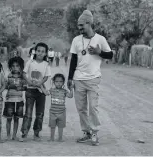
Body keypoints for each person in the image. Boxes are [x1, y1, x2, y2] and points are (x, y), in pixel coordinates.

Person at [67, 10, 113, 146]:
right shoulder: (76, 40)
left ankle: (94, 132)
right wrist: (69, 78)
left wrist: (100, 52)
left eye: (81, 25)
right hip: (78, 79)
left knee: (93, 107)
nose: (79, 28)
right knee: (81, 108)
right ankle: (86, 133)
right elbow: (73, 60)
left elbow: (110, 55)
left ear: (89, 23)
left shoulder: (100, 39)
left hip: (93, 79)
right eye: (78, 26)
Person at [20, 42, 51, 142]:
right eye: (38, 51)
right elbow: (24, 73)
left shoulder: (46, 64)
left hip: (41, 91)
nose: (40, 53)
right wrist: (29, 82)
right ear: (35, 51)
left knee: (40, 113)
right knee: (28, 113)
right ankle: (24, 133)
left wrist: (40, 83)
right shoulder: (30, 62)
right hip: (30, 91)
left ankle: (36, 133)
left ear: (46, 53)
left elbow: (46, 77)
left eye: (43, 51)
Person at [3, 56, 26, 141]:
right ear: (10, 67)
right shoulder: (8, 76)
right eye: (13, 66)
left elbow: (25, 87)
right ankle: (8, 135)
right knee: (9, 118)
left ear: (21, 67)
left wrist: (21, 88)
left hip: (19, 100)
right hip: (9, 100)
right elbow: (4, 86)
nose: (15, 68)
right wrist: (10, 86)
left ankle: (14, 135)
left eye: (17, 66)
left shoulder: (23, 77)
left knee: (16, 119)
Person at [47, 73, 73, 142]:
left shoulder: (64, 91)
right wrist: (41, 86)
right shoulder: (52, 90)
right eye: (57, 82)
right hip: (53, 111)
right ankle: (52, 138)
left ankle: (60, 138)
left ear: (63, 82)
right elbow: (46, 93)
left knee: (60, 126)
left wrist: (71, 89)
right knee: (52, 126)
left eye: (61, 82)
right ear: (54, 82)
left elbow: (70, 96)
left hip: (62, 112)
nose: (59, 83)